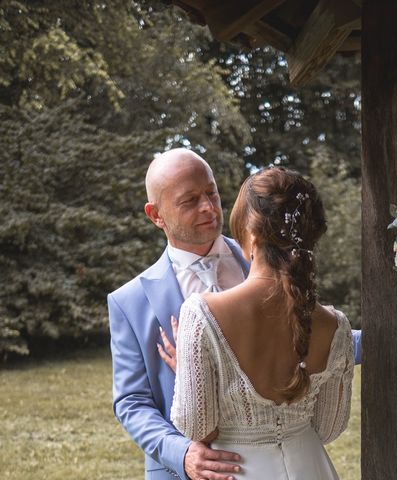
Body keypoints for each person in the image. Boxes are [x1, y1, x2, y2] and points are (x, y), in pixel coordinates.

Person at [108, 149, 362, 480]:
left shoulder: (274, 259)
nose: (208, 207)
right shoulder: (129, 301)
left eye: (211, 193)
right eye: (190, 201)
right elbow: (131, 401)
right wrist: (181, 453)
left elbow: (313, 336)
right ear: (156, 215)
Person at [169, 166, 354, 479]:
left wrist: (191, 372)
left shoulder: (202, 314)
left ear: (251, 232)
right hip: (311, 467)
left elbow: (195, 426)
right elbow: (328, 428)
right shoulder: (335, 326)